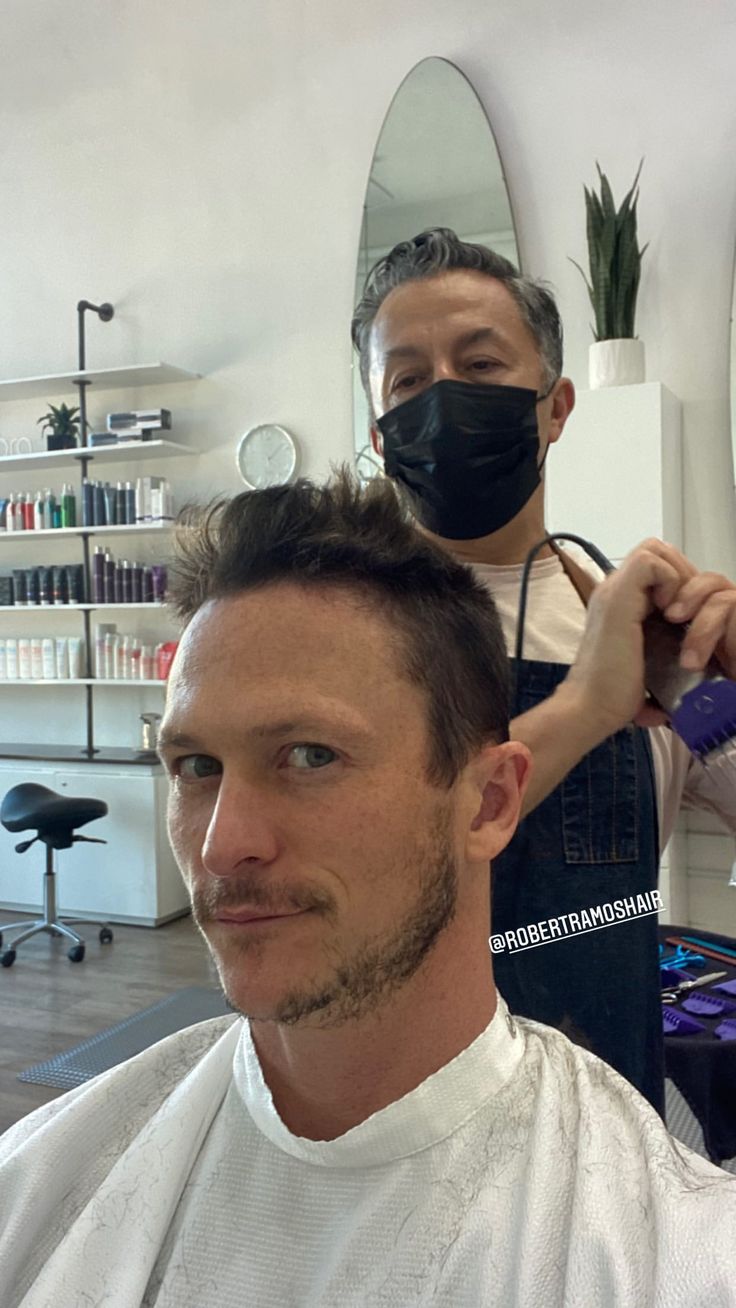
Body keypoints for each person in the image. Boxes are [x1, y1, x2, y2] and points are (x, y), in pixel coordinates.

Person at [1, 471, 735, 1308]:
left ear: (491, 802)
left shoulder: (679, 1257)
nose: (222, 844)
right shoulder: (41, 1183)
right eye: (196, 767)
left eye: (310, 755)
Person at [351, 227, 736, 1114]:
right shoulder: (338, 632)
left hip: (604, 1128)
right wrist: (583, 709)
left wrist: (722, 698)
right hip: (399, 1120)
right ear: (381, 435)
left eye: (480, 366)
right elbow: (369, 866)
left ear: (555, 408)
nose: (444, 399)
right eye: (409, 380)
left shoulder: (632, 627)